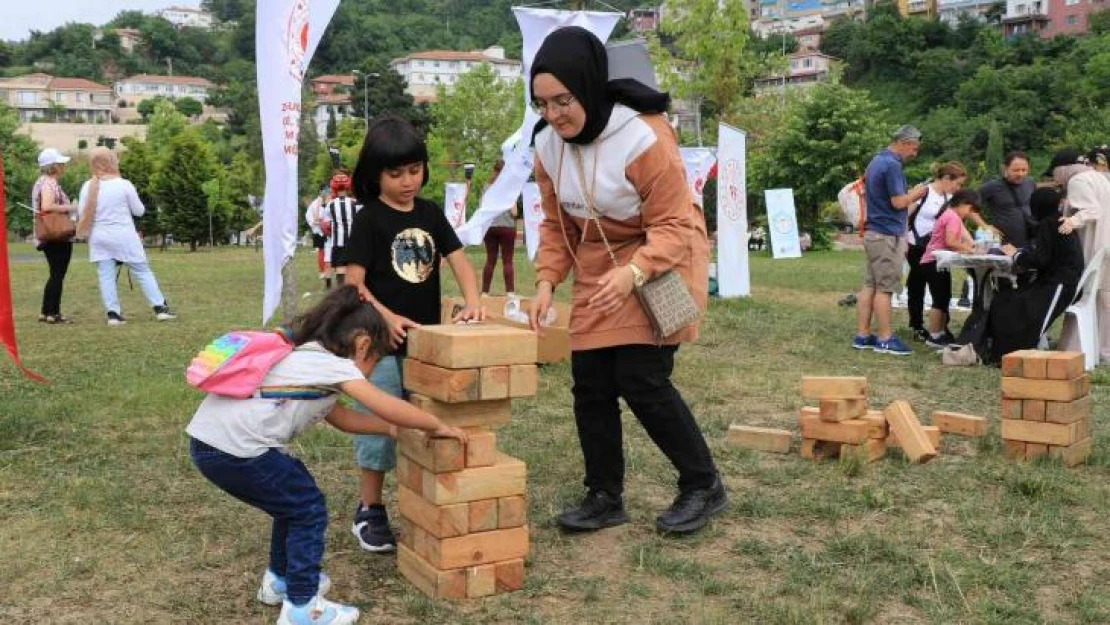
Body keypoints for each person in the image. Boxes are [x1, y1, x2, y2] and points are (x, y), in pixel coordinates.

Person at [527, 26, 724, 535]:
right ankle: (604, 495)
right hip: (598, 262)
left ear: (589, 86)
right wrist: (547, 281)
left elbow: (676, 224)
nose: (554, 114)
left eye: (563, 100)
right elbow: (556, 225)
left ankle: (702, 484)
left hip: (663, 254)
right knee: (590, 383)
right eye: (542, 103)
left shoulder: (643, 135)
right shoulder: (548, 146)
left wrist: (635, 271)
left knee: (641, 377)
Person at [186, 286, 467, 625]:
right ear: (363, 344)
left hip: (211, 443)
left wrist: (391, 431)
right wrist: (434, 424)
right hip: (238, 450)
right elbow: (385, 404)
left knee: (290, 502)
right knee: (307, 509)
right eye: (375, 360)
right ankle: (303, 607)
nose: (372, 369)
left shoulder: (306, 356)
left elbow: (342, 417)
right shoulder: (335, 367)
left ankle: (280, 580)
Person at [342, 115, 485, 552]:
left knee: (430, 419)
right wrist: (386, 317)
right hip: (378, 347)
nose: (408, 181)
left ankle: (427, 496)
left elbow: (458, 258)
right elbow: (354, 284)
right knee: (381, 424)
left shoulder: (430, 213)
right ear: (374, 175)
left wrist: (474, 299)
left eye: (415, 170)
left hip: (426, 345)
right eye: (395, 173)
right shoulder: (369, 220)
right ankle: (370, 509)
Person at [76, 148, 176, 326]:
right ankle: (160, 308)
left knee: (106, 274)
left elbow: (82, 212)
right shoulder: (124, 185)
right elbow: (139, 211)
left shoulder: (88, 186)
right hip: (123, 234)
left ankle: (113, 313)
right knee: (142, 270)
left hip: (99, 236)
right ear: (111, 162)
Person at [852, 125, 928, 355]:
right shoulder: (892, 165)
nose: (914, 153)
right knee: (885, 289)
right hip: (886, 235)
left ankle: (863, 335)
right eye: (914, 148)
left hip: (874, 232)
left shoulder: (876, 161)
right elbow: (897, 203)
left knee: (870, 285)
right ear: (904, 142)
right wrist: (916, 193)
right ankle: (885, 339)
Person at [988, 188, 1084, 363]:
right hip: (1058, 281)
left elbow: (1041, 260)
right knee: (1005, 300)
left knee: (1018, 309)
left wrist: (1016, 255)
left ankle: (1014, 353)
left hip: (1060, 284)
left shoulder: (1049, 224)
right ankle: (1004, 351)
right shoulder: (1057, 221)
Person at [1049, 148, 1110, 363]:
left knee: (1086, 295)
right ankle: (1103, 349)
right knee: (1104, 299)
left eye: (1054, 172)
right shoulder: (1101, 177)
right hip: (1105, 246)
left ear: (1062, 169)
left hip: (1093, 246)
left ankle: (1078, 345)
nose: (1054, 178)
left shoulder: (1078, 180)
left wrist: (1071, 221)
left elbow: (1092, 211)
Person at [905, 162, 967, 342]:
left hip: (939, 249)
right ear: (947, 178)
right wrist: (902, 241)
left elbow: (957, 221)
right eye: (958, 184)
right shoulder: (924, 192)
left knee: (941, 287)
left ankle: (941, 326)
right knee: (917, 284)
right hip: (917, 245)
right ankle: (917, 325)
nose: (959, 188)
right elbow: (906, 216)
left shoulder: (949, 198)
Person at [917, 190, 981, 348]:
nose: (969, 214)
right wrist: (969, 249)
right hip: (934, 262)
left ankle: (940, 332)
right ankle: (934, 335)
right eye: (970, 210)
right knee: (939, 300)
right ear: (963, 204)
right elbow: (951, 241)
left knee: (944, 298)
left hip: (937, 262)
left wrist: (970, 245)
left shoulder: (951, 215)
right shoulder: (952, 217)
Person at [31, 147, 77, 324]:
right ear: (54, 166)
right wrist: (71, 207)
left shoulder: (41, 181)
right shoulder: (49, 183)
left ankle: (45, 311)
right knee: (58, 274)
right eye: (60, 163)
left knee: (54, 273)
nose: (63, 166)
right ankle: (53, 313)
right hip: (57, 233)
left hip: (47, 234)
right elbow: (47, 206)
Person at [979, 151, 1035, 247]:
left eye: (1024, 170)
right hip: (1005, 244)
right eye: (1016, 170)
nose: (1020, 174)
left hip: (1030, 242)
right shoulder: (992, 187)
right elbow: (967, 206)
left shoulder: (1030, 183)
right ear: (1005, 168)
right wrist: (985, 226)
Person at [480, 159, 519, 297]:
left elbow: (482, 208)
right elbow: (514, 212)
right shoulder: (510, 188)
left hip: (490, 227)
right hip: (507, 227)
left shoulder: (486, 187)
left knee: (490, 259)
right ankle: (510, 293)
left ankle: (485, 292)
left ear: (494, 170)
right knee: (507, 260)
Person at [325, 172, 360, 286]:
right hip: (353, 242)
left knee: (340, 268)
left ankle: (341, 291)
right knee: (353, 267)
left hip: (337, 241)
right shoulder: (355, 203)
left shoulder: (330, 205)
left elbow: (326, 225)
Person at [304, 189, 334, 290]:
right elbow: (316, 219)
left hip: (330, 232)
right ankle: (325, 276)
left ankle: (327, 277)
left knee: (329, 256)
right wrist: (318, 206)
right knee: (324, 254)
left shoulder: (331, 203)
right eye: (328, 195)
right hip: (321, 232)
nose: (329, 197)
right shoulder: (317, 204)